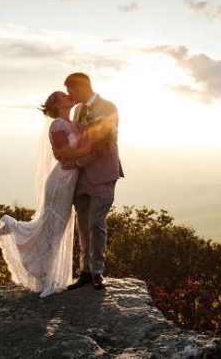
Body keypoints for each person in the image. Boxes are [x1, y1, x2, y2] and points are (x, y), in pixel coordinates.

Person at [0, 91, 90, 297]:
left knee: (56, 228)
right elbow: (63, 156)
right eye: (64, 96)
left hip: (68, 180)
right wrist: (88, 154)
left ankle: (43, 269)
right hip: (60, 181)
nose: (69, 96)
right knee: (51, 227)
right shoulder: (57, 125)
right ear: (56, 104)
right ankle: (43, 273)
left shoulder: (72, 123)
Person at [55, 73, 124, 291]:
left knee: (96, 222)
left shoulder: (109, 108)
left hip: (103, 173)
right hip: (81, 178)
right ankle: (85, 271)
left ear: (81, 87)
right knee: (83, 225)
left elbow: (103, 144)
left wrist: (76, 161)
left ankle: (97, 272)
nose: (69, 95)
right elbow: (76, 139)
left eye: (70, 90)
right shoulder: (77, 111)